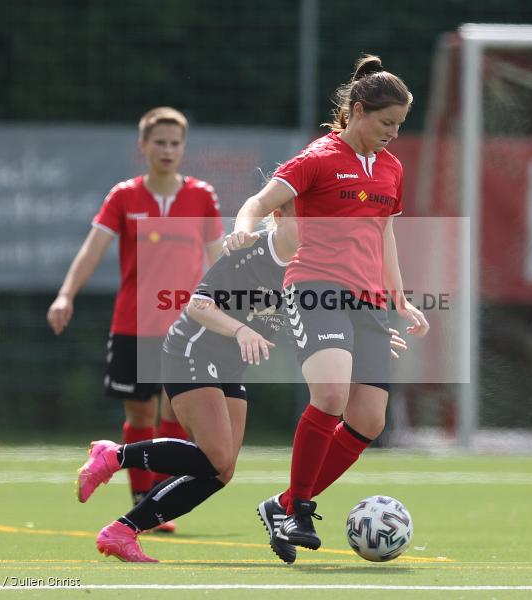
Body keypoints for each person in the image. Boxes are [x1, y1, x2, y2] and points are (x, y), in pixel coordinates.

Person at [74, 202, 408, 562]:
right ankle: (114, 455)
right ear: (278, 218)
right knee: (215, 455)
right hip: (192, 351)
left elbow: (322, 319)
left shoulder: (313, 269)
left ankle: (122, 531)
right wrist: (241, 330)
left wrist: (366, 336)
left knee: (221, 470)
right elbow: (197, 305)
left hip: (229, 366)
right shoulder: (251, 252)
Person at [222, 54, 430, 563]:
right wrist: (243, 225)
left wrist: (399, 297)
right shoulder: (318, 156)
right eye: (386, 123)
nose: (393, 134)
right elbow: (259, 200)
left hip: (368, 300)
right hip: (316, 288)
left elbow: (385, 234)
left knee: (369, 421)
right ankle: (301, 509)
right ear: (357, 111)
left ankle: (284, 504)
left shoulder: (391, 168)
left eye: (400, 126)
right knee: (332, 395)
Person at [47, 107, 223, 532]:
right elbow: (92, 249)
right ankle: (141, 497)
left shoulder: (201, 196)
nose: (167, 150)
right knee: (140, 412)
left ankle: (161, 501)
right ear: (142, 146)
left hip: (185, 329)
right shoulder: (124, 196)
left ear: (183, 148)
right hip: (133, 324)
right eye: (159, 142)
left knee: (177, 411)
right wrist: (65, 295)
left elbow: (218, 260)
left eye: (175, 143)